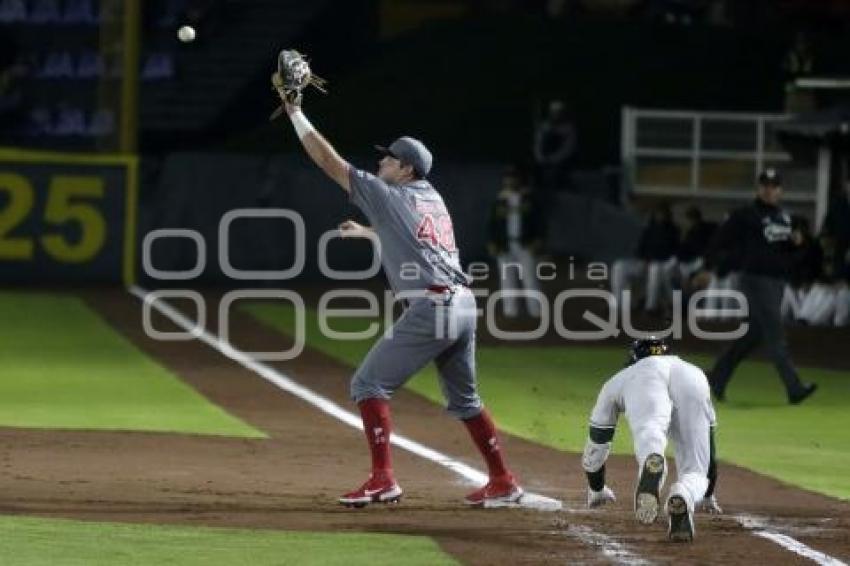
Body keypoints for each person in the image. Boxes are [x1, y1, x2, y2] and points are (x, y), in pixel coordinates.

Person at [274, 76, 523, 508]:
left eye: (388, 159)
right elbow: (415, 240)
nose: (382, 164)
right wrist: (370, 232)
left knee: (367, 384)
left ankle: (383, 479)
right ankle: (503, 479)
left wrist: (296, 111)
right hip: (463, 305)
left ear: (405, 169)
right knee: (466, 401)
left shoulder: (387, 194)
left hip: (433, 307)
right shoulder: (432, 197)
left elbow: (328, 161)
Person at [581, 337, 721, 542]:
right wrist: (707, 493)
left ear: (634, 357)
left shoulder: (624, 376)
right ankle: (684, 493)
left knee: (650, 430)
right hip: (692, 381)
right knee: (695, 472)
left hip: (644, 382)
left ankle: (654, 459)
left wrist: (597, 487)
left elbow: (597, 443)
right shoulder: (694, 371)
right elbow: (710, 446)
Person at [704, 169, 817, 404]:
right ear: (758, 188)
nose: (769, 189)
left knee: (752, 335)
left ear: (780, 190)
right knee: (776, 336)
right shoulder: (745, 214)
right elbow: (719, 240)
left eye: (774, 185)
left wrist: (798, 245)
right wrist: (715, 265)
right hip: (754, 279)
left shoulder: (785, 218)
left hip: (776, 283)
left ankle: (716, 378)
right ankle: (794, 388)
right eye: (765, 185)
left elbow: (792, 252)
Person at [488, 167, 544, 318]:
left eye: (513, 177)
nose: (510, 180)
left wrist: (538, 240)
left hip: (525, 244)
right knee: (507, 280)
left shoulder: (529, 199)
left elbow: (539, 222)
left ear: (520, 179)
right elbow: (492, 223)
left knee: (530, 278)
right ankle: (510, 313)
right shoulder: (500, 200)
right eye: (507, 177)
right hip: (505, 245)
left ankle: (536, 313)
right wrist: (493, 242)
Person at [611, 203, 680, 313]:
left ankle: (650, 307)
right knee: (619, 266)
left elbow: (673, 252)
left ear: (668, 215)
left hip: (663, 265)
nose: (660, 216)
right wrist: (643, 260)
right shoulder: (649, 229)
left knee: (654, 268)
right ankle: (619, 304)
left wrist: (652, 260)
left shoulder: (673, 231)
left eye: (663, 214)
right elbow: (640, 249)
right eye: (658, 214)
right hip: (645, 262)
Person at [533, 99, 577, 192]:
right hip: (543, 160)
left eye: (558, 112)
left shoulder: (569, 128)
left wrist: (553, 159)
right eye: (553, 112)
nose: (555, 114)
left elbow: (568, 148)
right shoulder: (544, 126)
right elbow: (538, 143)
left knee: (557, 174)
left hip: (560, 162)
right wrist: (540, 157)